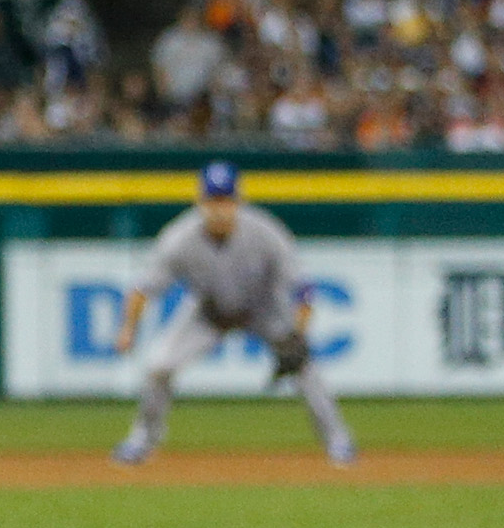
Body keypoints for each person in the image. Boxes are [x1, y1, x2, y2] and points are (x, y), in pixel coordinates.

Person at [110, 161, 357, 468]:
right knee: (159, 366)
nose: (219, 208)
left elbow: (303, 288)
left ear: (238, 201)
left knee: (305, 367)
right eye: (213, 200)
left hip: (263, 309)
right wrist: (127, 329)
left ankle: (338, 440)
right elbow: (142, 289)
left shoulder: (265, 232)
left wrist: (298, 334)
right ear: (200, 202)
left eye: (225, 199)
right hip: (208, 312)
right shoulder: (179, 238)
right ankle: (142, 440)